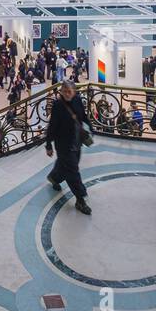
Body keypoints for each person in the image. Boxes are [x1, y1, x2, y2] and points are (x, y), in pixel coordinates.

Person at [44, 82, 92, 215]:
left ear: (74, 91)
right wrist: (48, 144)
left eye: (69, 91)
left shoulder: (77, 101)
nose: (66, 94)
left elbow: (83, 116)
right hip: (63, 144)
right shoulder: (58, 106)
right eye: (64, 91)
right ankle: (80, 199)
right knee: (73, 171)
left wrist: (90, 127)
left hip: (76, 141)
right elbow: (52, 126)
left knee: (69, 165)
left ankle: (54, 177)